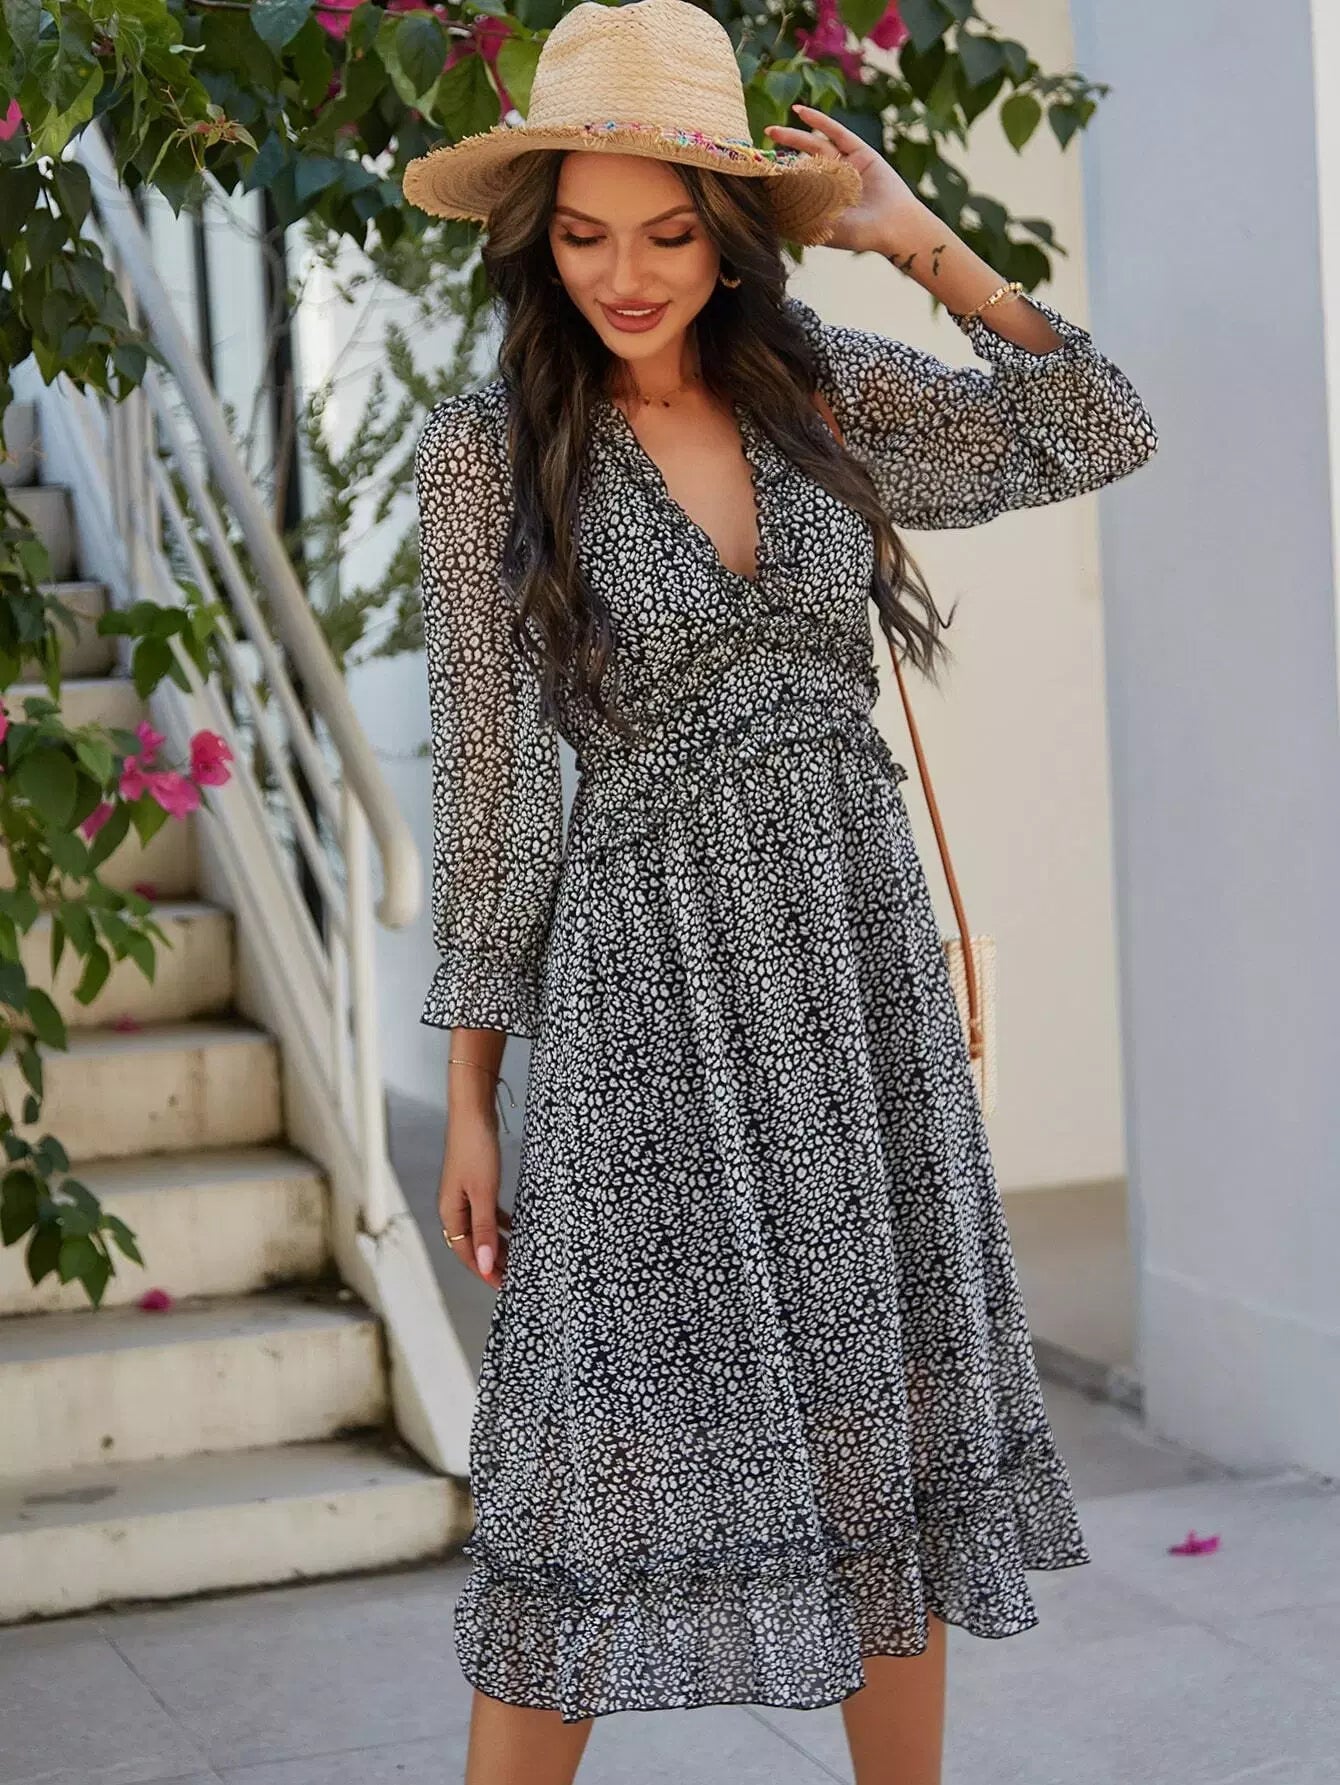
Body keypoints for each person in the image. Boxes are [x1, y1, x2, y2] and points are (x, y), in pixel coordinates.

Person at [402, 2, 1159, 1780]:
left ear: (729, 235)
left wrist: (921, 241)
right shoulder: (487, 450)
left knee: (875, 1423)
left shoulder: (817, 386)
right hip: (645, 987)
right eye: (584, 235)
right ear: (537, 239)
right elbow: (491, 796)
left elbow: (1095, 429)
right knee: (591, 1455)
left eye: (669, 233)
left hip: (851, 960)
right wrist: (474, 1095)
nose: (625, 275)